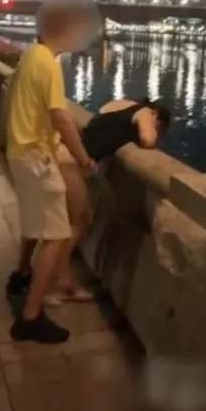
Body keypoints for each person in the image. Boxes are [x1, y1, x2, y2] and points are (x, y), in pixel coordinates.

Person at [5, 0, 96, 344]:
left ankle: (20, 275)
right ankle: (30, 317)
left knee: (36, 223)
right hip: (36, 158)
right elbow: (62, 118)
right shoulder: (49, 64)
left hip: (20, 150)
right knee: (57, 236)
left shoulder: (30, 55)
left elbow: (13, 99)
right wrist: (84, 159)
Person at [45, 97, 171, 305]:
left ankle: (65, 282)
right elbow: (148, 139)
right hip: (71, 163)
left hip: (64, 156)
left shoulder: (121, 104)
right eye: (161, 129)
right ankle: (48, 285)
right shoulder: (146, 113)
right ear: (157, 116)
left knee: (81, 218)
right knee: (73, 226)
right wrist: (153, 134)